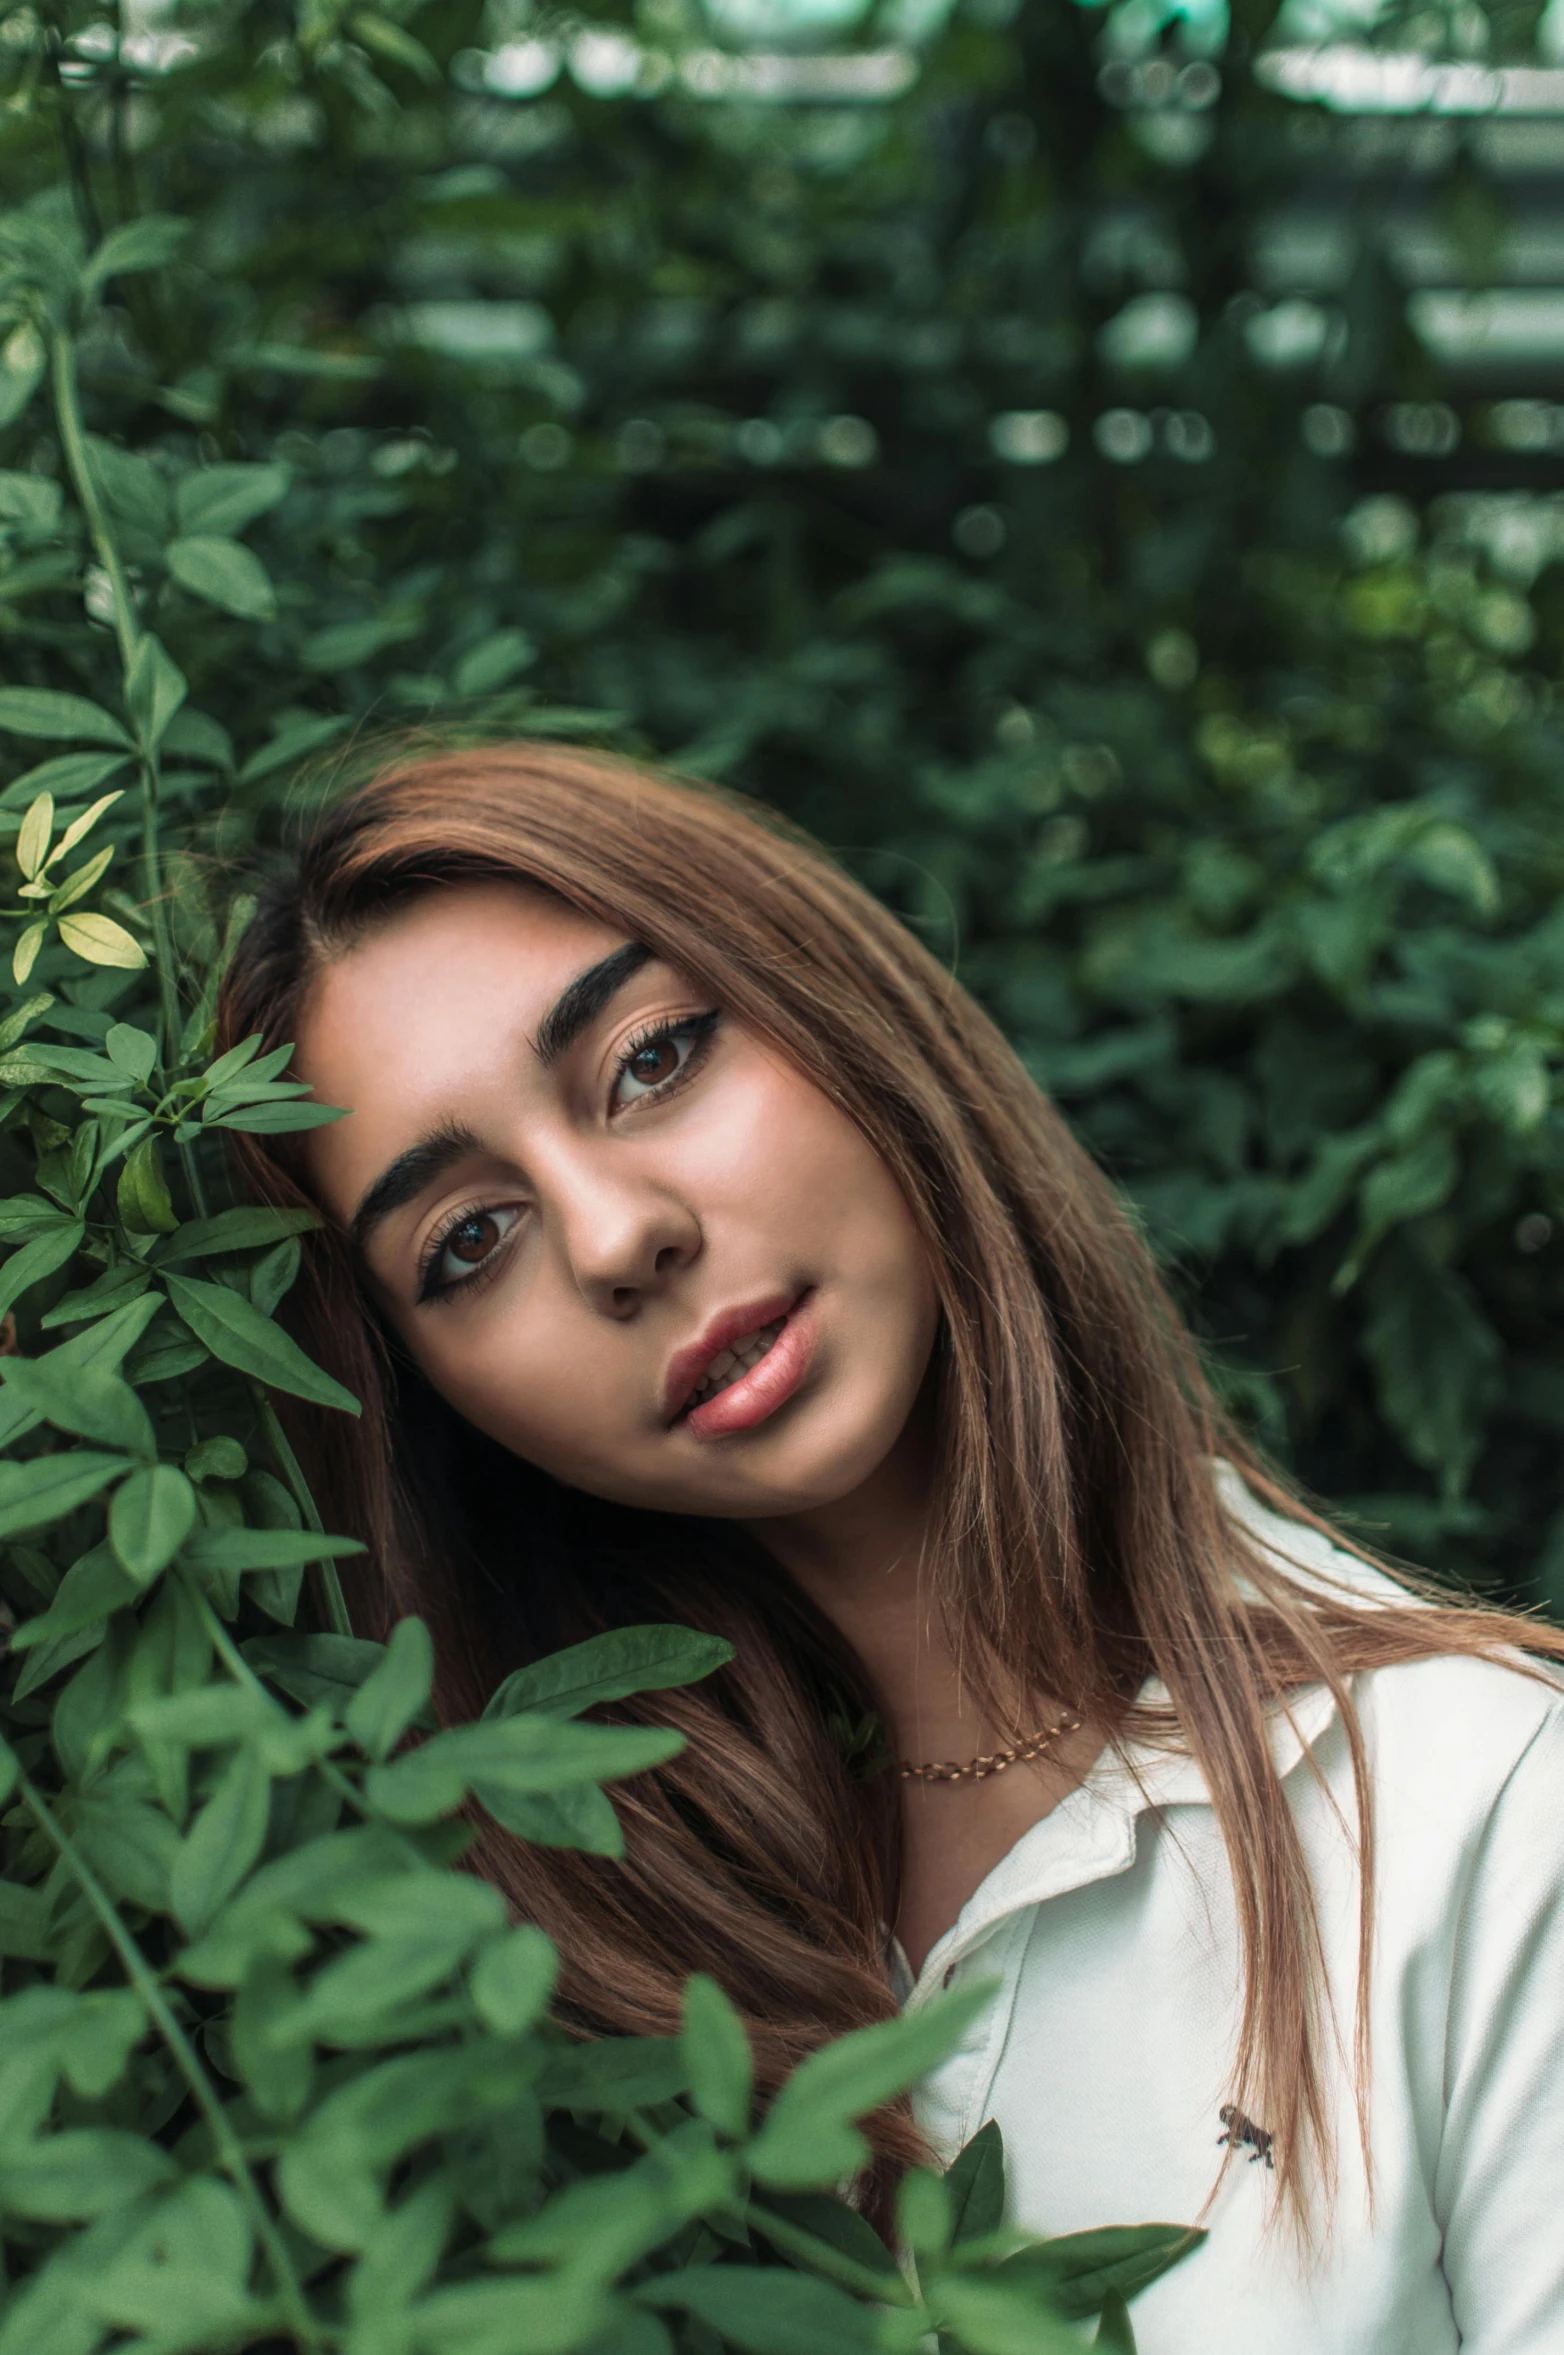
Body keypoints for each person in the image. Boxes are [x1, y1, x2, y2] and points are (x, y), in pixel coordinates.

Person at [219, 743, 1564, 2353]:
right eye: (468, 1240)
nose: (612, 1233)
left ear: (837, 1010)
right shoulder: (499, 1954)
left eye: (650, 1060)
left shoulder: (1478, 1813)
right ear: (432, 1400)